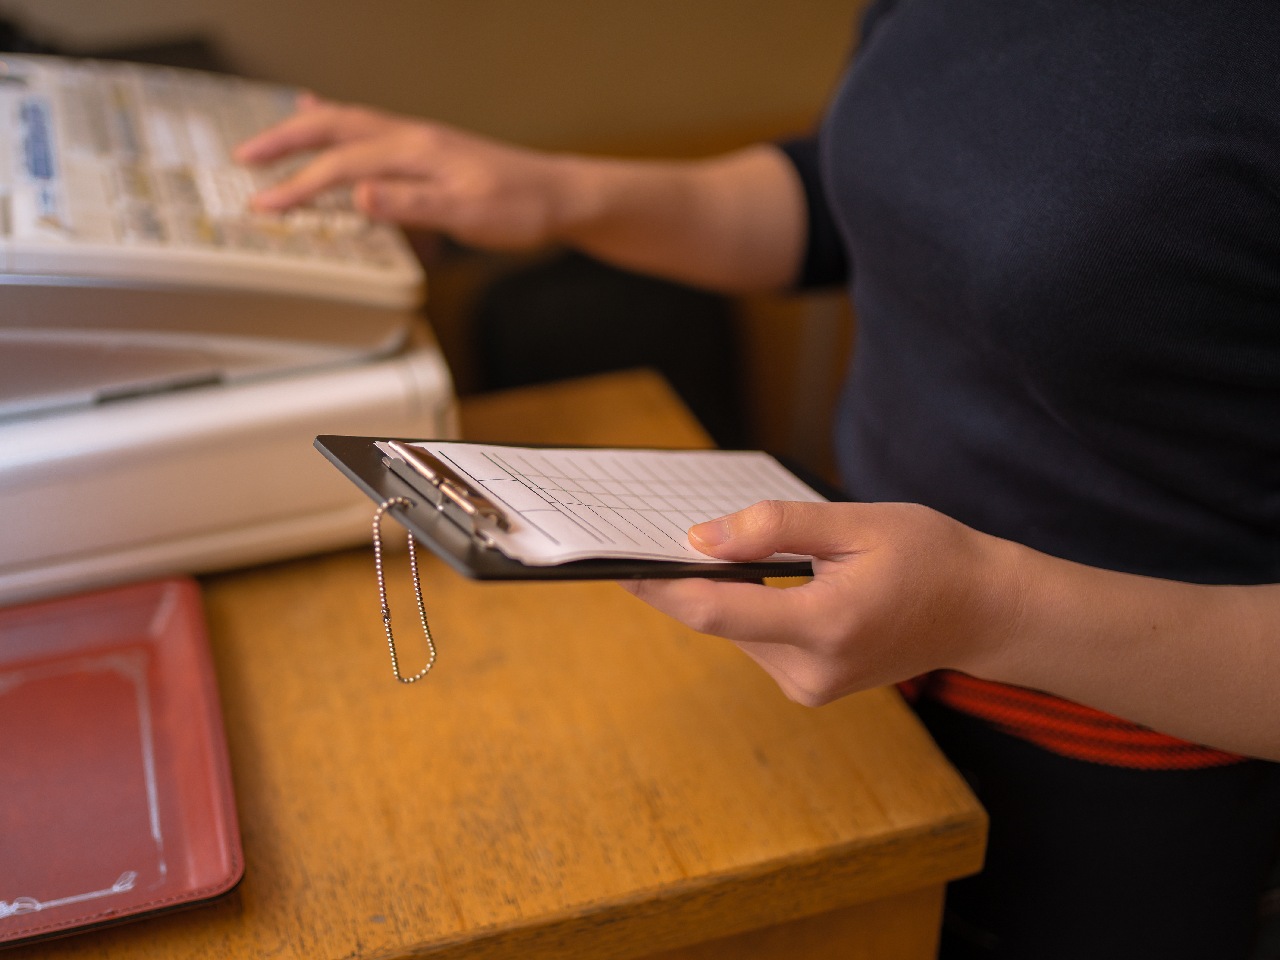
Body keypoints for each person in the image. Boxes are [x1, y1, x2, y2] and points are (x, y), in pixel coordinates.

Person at [235, 1, 1280, 956]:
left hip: (1129, 792)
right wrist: (564, 192)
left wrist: (989, 607)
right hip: (851, 665)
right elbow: (859, 191)